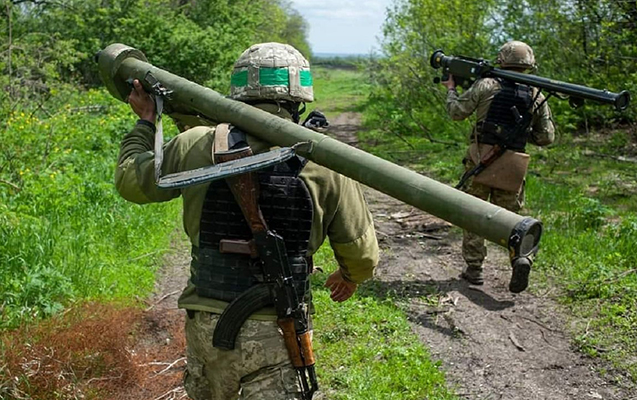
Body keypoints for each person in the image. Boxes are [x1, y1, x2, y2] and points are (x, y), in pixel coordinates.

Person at [115, 42, 379, 399]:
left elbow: (131, 181)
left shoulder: (194, 143)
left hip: (207, 325)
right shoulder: (326, 160)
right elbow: (363, 256)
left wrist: (147, 122)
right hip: (280, 328)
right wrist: (349, 276)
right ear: (300, 97)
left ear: (239, 90)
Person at [441, 40, 555, 293]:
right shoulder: (536, 93)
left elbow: (457, 112)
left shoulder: (486, 85)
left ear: (501, 60)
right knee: (513, 220)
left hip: (480, 161)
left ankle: (474, 269)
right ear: (529, 63)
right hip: (512, 166)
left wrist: (451, 89)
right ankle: (520, 259)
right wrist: (521, 132)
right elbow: (547, 137)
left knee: (474, 215)